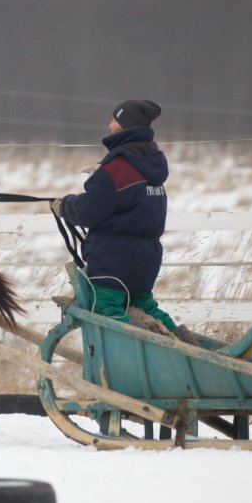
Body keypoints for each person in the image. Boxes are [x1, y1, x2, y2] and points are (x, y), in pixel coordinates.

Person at [50, 99, 200, 344]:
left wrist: (65, 206)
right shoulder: (153, 164)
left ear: (126, 126)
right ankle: (185, 341)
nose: (109, 125)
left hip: (113, 260)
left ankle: (141, 340)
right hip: (146, 259)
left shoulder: (117, 168)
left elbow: (90, 210)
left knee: (105, 310)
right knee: (145, 306)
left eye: (114, 120)